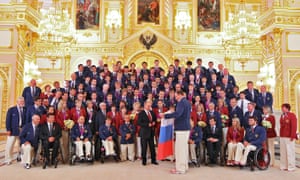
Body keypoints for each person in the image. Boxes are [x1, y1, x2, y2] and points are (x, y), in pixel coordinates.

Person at [160, 90, 191, 174]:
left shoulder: (181, 102)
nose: (175, 98)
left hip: (181, 129)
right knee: (184, 148)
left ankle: (180, 169)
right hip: (186, 128)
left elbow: (178, 114)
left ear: (180, 95)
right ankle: (184, 166)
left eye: (176, 96)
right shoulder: (187, 102)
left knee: (180, 149)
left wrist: (165, 115)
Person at [5, 97, 26, 165]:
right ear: (17, 102)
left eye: (23, 101)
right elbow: (8, 120)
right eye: (20, 101)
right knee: (10, 145)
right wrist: (8, 129)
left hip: (22, 130)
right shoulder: (11, 109)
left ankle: (21, 157)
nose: (22, 102)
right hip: (12, 130)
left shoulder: (25, 109)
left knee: (22, 145)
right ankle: (8, 159)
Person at [138, 99, 158, 166]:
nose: (149, 106)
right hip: (144, 133)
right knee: (144, 147)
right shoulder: (141, 113)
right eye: (148, 105)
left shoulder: (152, 112)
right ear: (145, 105)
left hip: (151, 132)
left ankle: (153, 160)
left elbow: (155, 120)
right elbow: (139, 123)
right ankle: (144, 161)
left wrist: (154, 123)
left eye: (150, 105)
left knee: (152, 147)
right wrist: (147, 124)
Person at [279, 103, 297, 171]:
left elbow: (294, 126)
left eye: (283, 107)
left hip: (289, 136)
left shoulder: (292, 115)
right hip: (282, 136)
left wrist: (292, 136)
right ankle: (284, 166)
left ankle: (291, 167)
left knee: (290, 152)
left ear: (287, 108)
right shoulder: (282, 115)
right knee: (283, 152)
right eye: (282, 107)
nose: (282, 109)